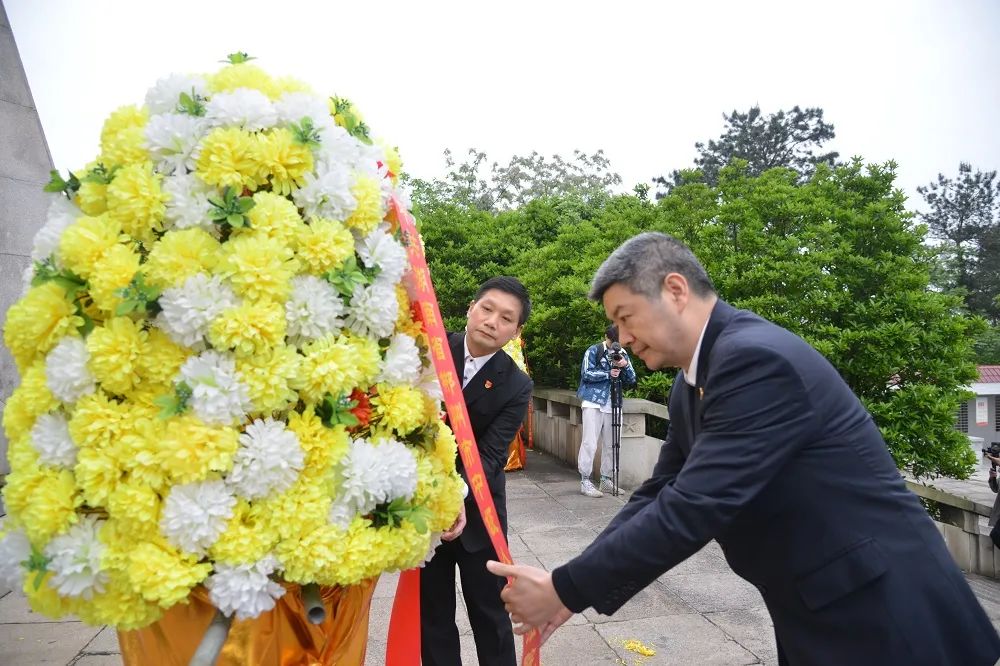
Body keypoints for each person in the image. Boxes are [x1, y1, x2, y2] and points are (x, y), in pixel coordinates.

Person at [488, 232, 1000, 665]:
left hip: (885, 612)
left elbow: (697, 505)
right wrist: (574, 591)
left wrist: (564, 587)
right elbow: (661, 493)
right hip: (817, 604)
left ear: (675, 289)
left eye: (626, 317)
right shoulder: (691, 383)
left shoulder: (754, 360)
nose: (620, 337)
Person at [421, 276, 533, 666]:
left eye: (506, 318)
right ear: (471, 308)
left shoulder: (516, 385)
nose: (491, 321)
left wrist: (457, 497)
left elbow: (490, 455)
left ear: (516, 332)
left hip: (480, 515)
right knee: (432, 615)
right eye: (486, 309)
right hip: (426, 511)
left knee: (490, 615)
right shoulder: (431, 350)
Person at [576, 325, 636, 497]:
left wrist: (624, 365)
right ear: (606, 337)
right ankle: (585, 480)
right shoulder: (594, 350)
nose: (614, 345)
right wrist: (608, 373)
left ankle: (606, 480)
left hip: (614, 402)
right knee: (590, 442)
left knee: (613, 443)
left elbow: (632, 379)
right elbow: (586, 373)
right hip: (593, 401)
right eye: (612, 341)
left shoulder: (622, 353)